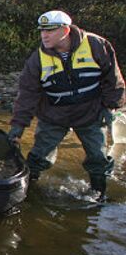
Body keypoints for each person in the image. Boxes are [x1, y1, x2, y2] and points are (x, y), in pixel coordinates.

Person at [8, 10, 125, 200]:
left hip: (90, 114)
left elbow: (113, 79)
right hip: (53, 116)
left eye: (50, 30)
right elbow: (27, 95)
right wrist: (17, 126)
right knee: (38, 158)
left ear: (65, 30)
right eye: (42, 31)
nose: (44, 35)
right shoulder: (36, 59)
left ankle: (99, 196)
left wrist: (110, 107)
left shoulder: (96, 45)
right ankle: (26, 194)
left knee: (98, 158)